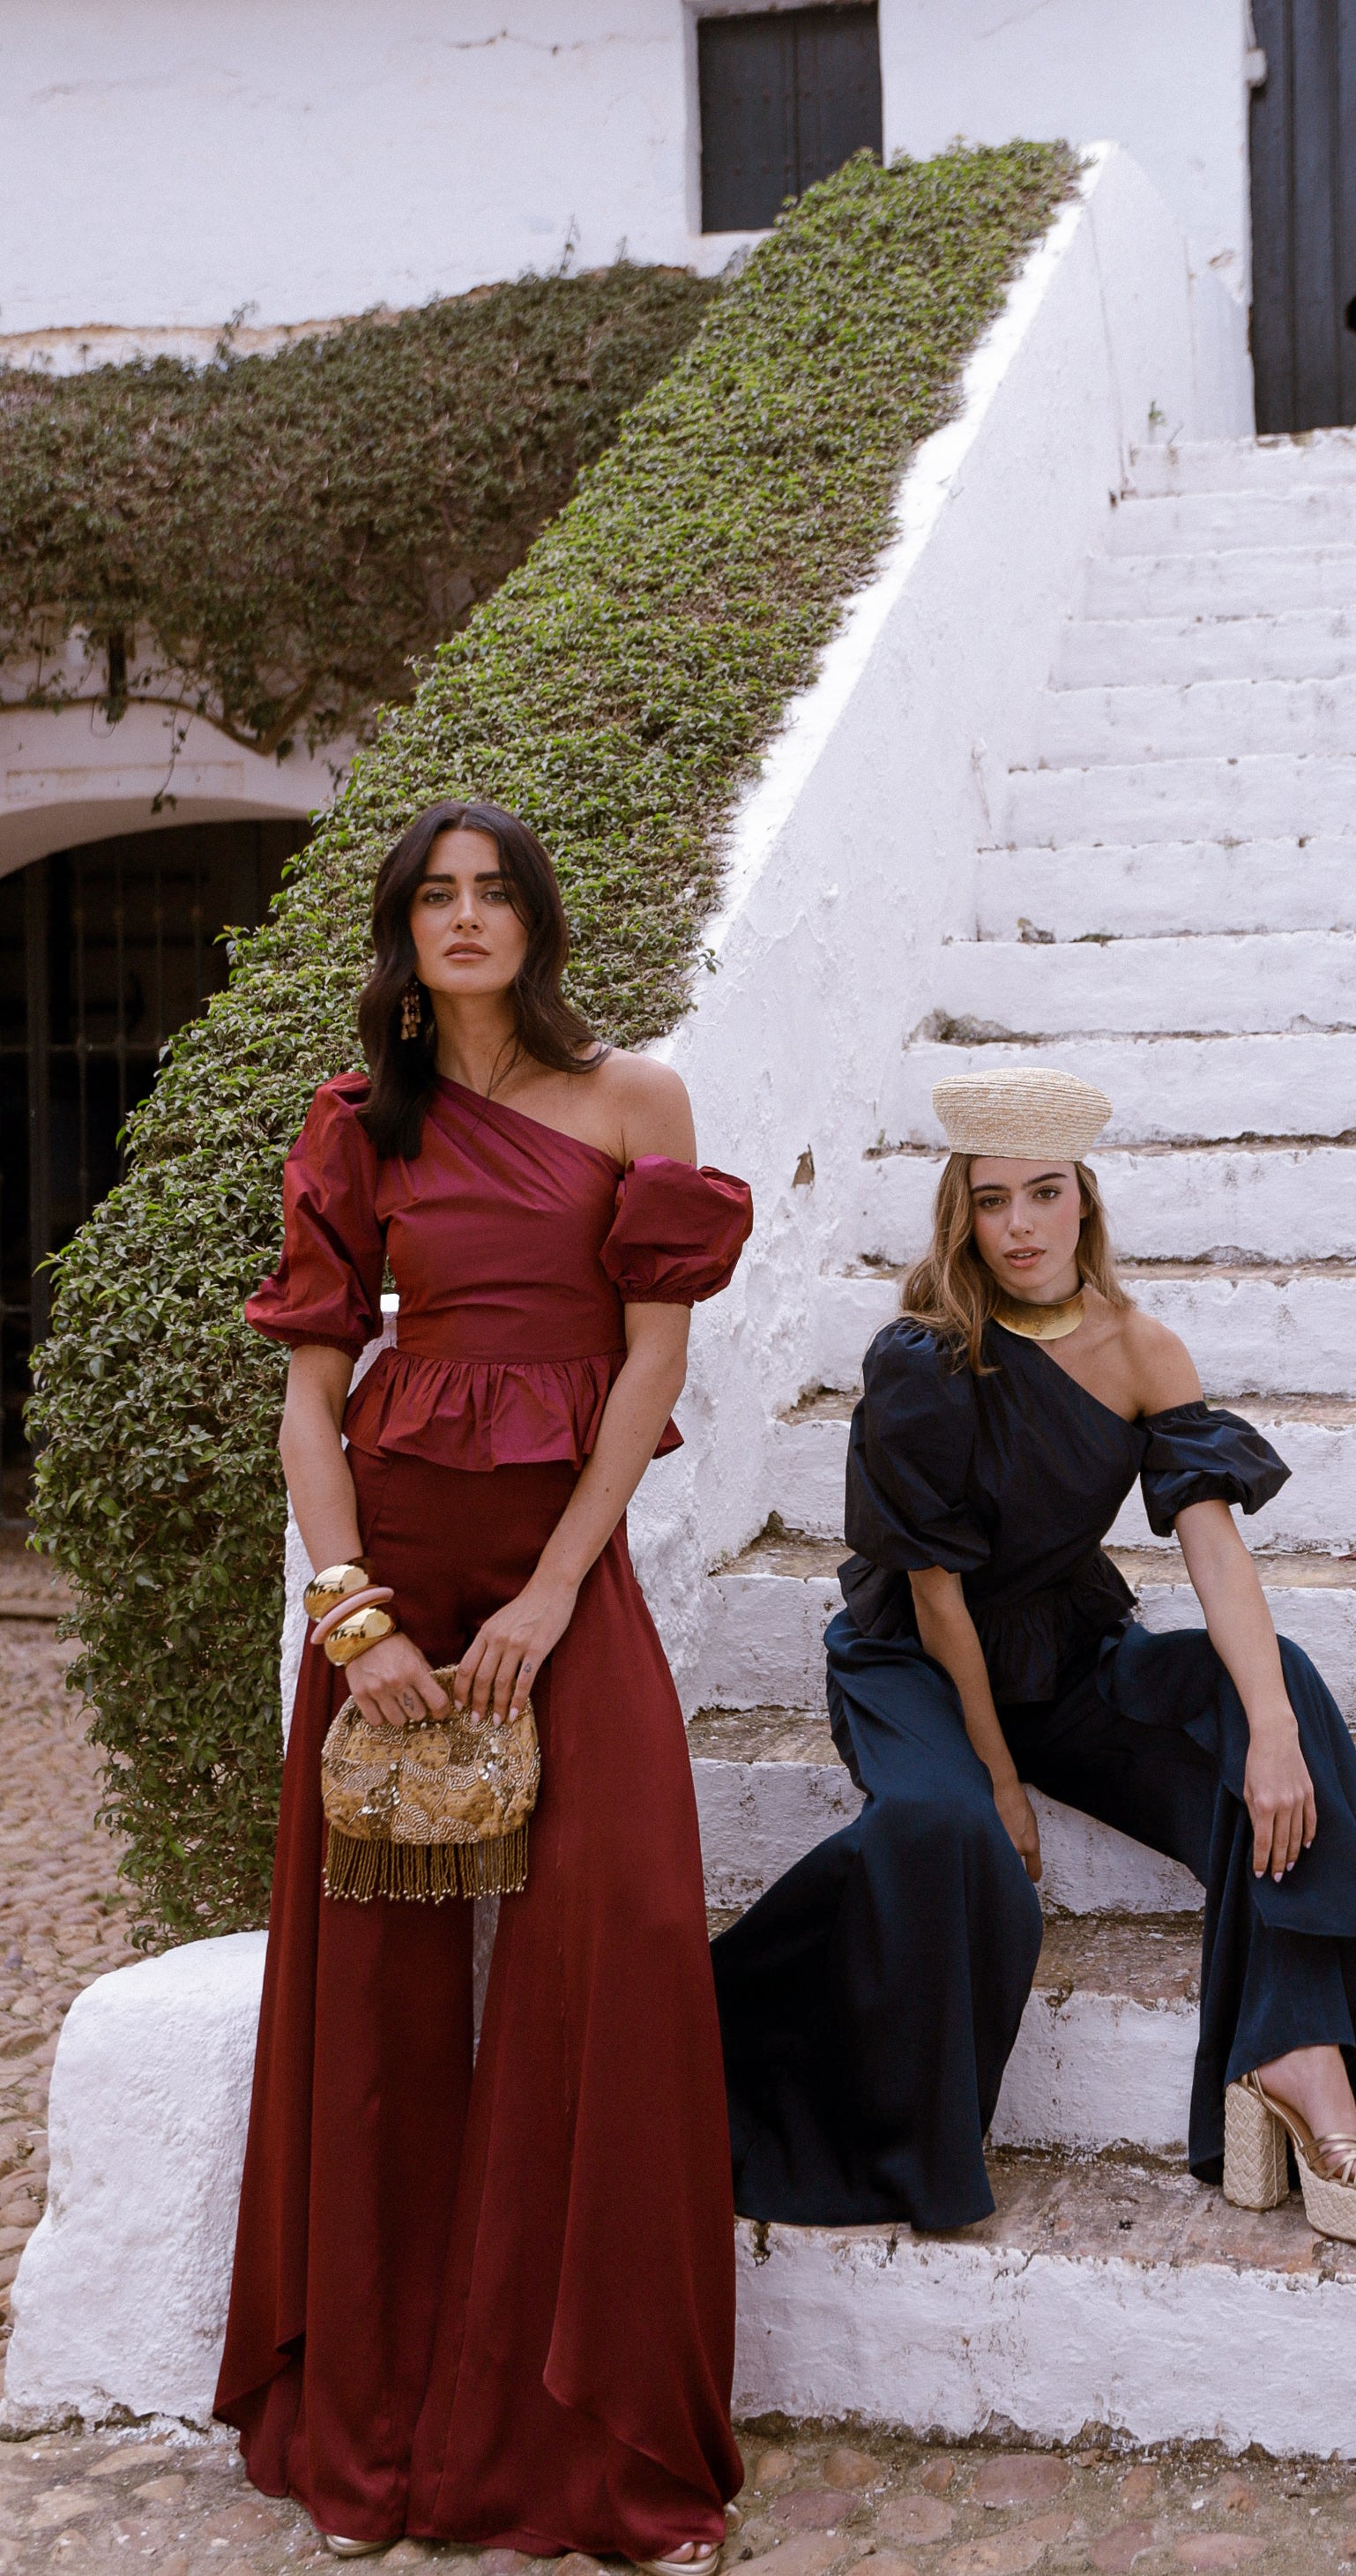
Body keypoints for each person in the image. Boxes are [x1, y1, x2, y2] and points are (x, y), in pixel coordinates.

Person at [215, 801, 752, 2562]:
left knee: (622, 1942)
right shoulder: (359, 1123)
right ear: (405, 929)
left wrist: (551, 1590)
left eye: (493, 893)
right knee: (372, 2002)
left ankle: (592, 2451)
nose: (464, 919)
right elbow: (311, 1397)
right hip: (392, 1576)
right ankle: (371, 2430)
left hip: (557, 1579)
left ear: (536, 921)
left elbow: (647, 1367)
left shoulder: (635, 1102)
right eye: (435, 896)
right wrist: (351, 1618)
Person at [712, 1066, 1356, 2251]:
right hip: (916, 1662)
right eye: (992, 1200)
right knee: (942, 1829)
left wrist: (1270, 1732)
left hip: (1065, 1649)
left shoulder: (1143, 1349)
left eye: (1045, 1193)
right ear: (962, 1213)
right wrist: (999, 1782)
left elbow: (1215, 1550)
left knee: (1281, 1686)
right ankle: (764, 2072)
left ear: (1085, 1200)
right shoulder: (923, 1356)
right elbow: (936, 1596)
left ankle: (1300, 2056)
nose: (1021, 1227)